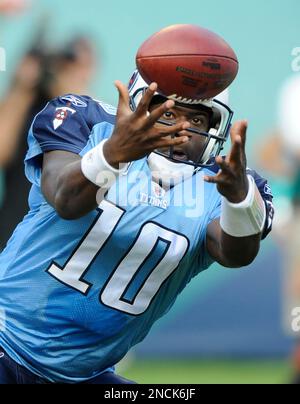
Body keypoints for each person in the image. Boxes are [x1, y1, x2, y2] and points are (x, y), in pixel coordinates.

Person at [0, 50, 274, 382]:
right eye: (168, 113)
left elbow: (236, 254)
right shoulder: (87, 123)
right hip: (7, 342)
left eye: (198, 120)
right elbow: (65, 198)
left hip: (85, 374)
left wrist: (239, 200)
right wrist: (113, 155)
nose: (182, 129)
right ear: (138, 106)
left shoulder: (224, 182)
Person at [0, 35, 96, 250]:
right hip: (11, 230)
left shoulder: (91, 115)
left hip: (58, 241)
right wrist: (21, 87)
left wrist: (68, 96)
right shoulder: (27, 107)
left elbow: (96, 152)